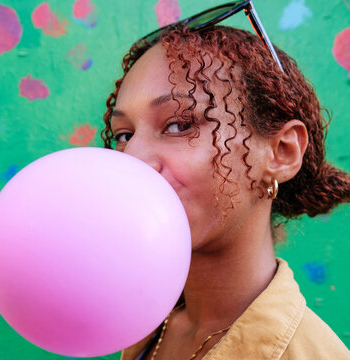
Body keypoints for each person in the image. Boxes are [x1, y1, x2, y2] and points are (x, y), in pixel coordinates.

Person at [101, 1, 350, 359]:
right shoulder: (144, 326)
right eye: (124, 134)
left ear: (281, 152)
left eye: (178, 125)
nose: (132, 162)